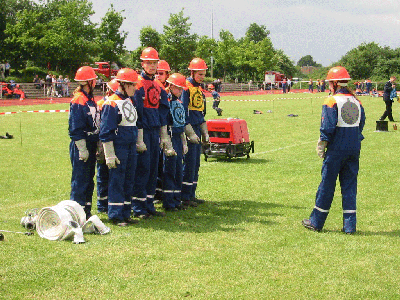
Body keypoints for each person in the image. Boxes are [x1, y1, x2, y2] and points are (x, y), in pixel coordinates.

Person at [302, 66, 366, 234]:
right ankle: (350, 226)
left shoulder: (331, 101)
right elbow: (361, 125)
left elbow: (328, 126)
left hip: (337, 148)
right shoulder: (357, 101)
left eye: (330, 82)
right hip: (354, 147)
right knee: (350, 186)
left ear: (335, 83)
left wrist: (322, 143)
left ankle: (316, 222)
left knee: (327, 185)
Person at [131, 47, 175, 219]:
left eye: (154, 63)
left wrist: (164, 136)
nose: (151, 66)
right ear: (142, 63)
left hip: (155, 131)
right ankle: (139, 207)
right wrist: (139, 137)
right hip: (143, 131)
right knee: (141, 170)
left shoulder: (158, 86)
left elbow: (164, 111)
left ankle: (149, 205)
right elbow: (137, 113)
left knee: (151, 170)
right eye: (148, 63)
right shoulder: (137, 84)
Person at [100, 68, 141, 226]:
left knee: (128, 179)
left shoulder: (130, 100)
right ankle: (116, 215)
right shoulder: (111, 102)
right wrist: (109, 154)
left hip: (130, 146)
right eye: (132, 85)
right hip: (119, 146)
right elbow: (106, 130)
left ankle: (125, 212)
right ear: (123, 85)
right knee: (117, 180)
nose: (135, 88)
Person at [68, 66, 100, 218]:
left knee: (89, 179)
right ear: (88, 81)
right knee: (80, 179)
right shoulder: (78, 100)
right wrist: (82, 148)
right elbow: (75, 126)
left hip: (91, 141)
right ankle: (76, 213)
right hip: (82, 142)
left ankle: (86, 211)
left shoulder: (89, 98)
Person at [181, 58, 210, 207]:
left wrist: (204, 132)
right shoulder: (185, 88)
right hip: (189, 130)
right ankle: (185, 195)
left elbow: (200, 112)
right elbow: (183, 113)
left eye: (204, 74)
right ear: (192, 72)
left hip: (197, 128)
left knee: (196, 163)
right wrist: (189, 132)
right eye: (200, 74)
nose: (202, 77)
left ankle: (192, 193)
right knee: (189, 163)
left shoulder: (198, 88)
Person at [162, 73, 188, 211]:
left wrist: (184, 142)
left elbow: (182, 124)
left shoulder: (179, 102)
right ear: (171, 86)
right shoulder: (165, 102)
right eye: (178, 88)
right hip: (170, 138)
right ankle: (168, 202)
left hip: (178, 137)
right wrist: (167, 144)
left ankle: (177, 200)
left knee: (178, 170)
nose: (180, 91)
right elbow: (165, 125)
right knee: (170, 170)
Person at [95, 79, 119, 214]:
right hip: (102, 142)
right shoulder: (101, 104)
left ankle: (109, 202)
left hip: (114, 141)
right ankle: (102, 204)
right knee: (103, 173)